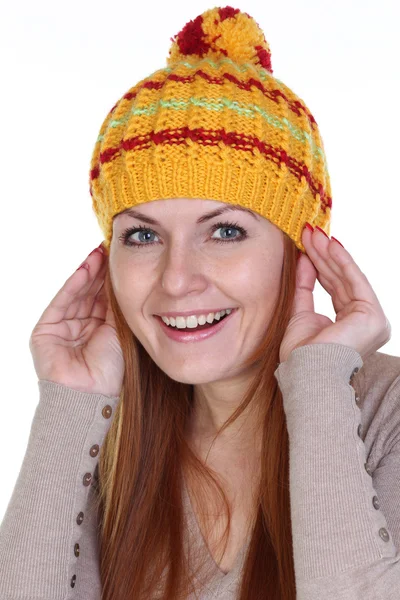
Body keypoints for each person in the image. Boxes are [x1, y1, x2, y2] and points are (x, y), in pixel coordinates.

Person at [0, 6, 399, 600]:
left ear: (301, 251)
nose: (177, 280)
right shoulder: (111, 439)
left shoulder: (385, 413)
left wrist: (318, 381)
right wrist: (69, 402)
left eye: (226, 231)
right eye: (142, 235)